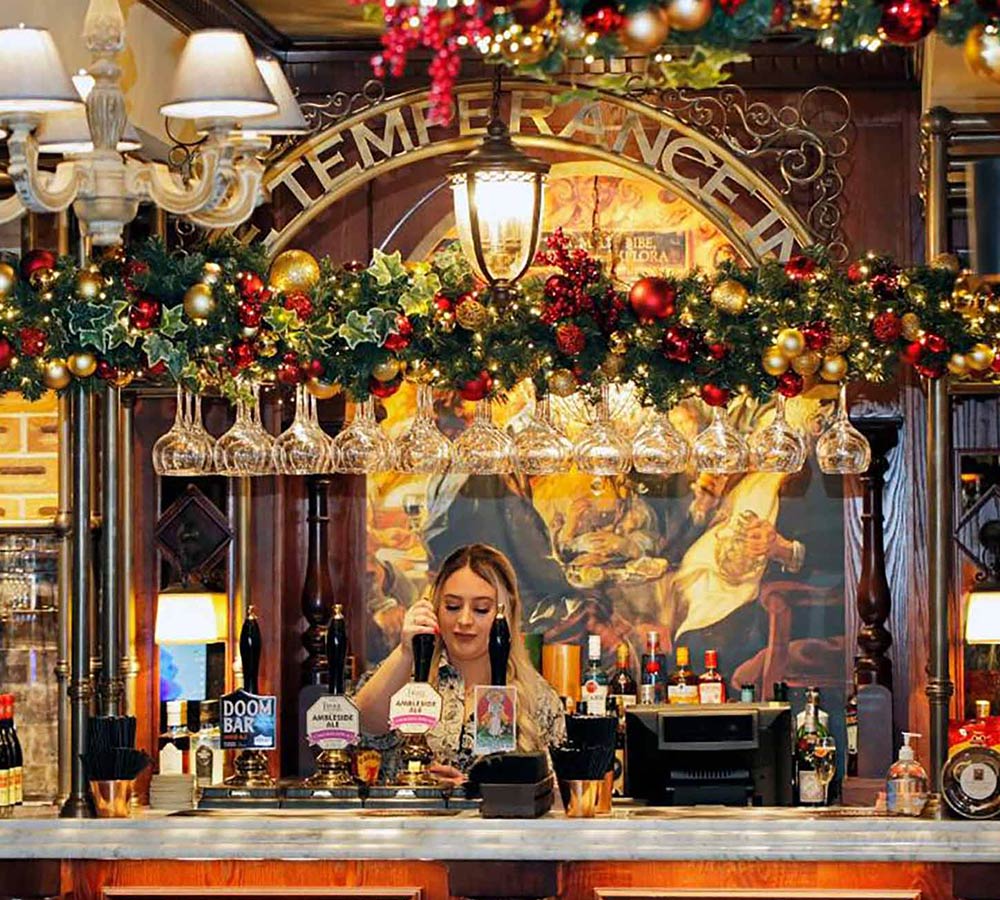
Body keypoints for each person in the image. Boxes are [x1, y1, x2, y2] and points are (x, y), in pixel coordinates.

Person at [355, 543, 566, 785]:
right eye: (452, 606)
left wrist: (472, 789)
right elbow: (362, 727)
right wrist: (406, 651)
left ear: (506, 614)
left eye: (481, 609)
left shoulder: (536, 698)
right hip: (410, 821)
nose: (464, 620)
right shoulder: (406, 677)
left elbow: (557, 798)